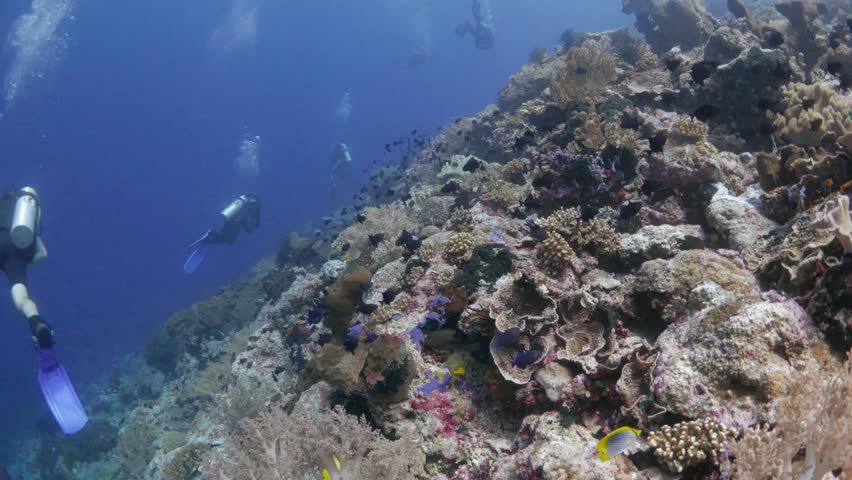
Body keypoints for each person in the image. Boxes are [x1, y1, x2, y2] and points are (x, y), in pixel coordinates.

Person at [0, 187, 52, 349]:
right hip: (17, 253)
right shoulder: (32, 215)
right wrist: (21, 261)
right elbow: (43, 254)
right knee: (22, 299)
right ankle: (36, 323)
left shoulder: (6, 202)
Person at [183, 194, 261, 273]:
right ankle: (210, 238)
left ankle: (211, 236)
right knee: (227, 239)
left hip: (229, 221)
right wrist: (251, 227)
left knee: (225, 238)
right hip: (235, 224)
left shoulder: (243, 202)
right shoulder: (251, 205)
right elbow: (247, 225)